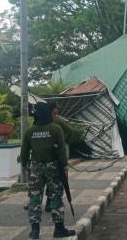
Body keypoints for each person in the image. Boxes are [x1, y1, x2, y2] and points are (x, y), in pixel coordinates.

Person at [20, 102, 76, 239]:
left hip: (36, 168)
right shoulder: (55, 129)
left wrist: (26, 167)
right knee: (55, 197)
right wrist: (65, 167)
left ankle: (34, 231)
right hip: (54, 168)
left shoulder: (29, 131)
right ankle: (59, 229)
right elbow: (62, 151)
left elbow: (24, 153)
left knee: (34, 199)